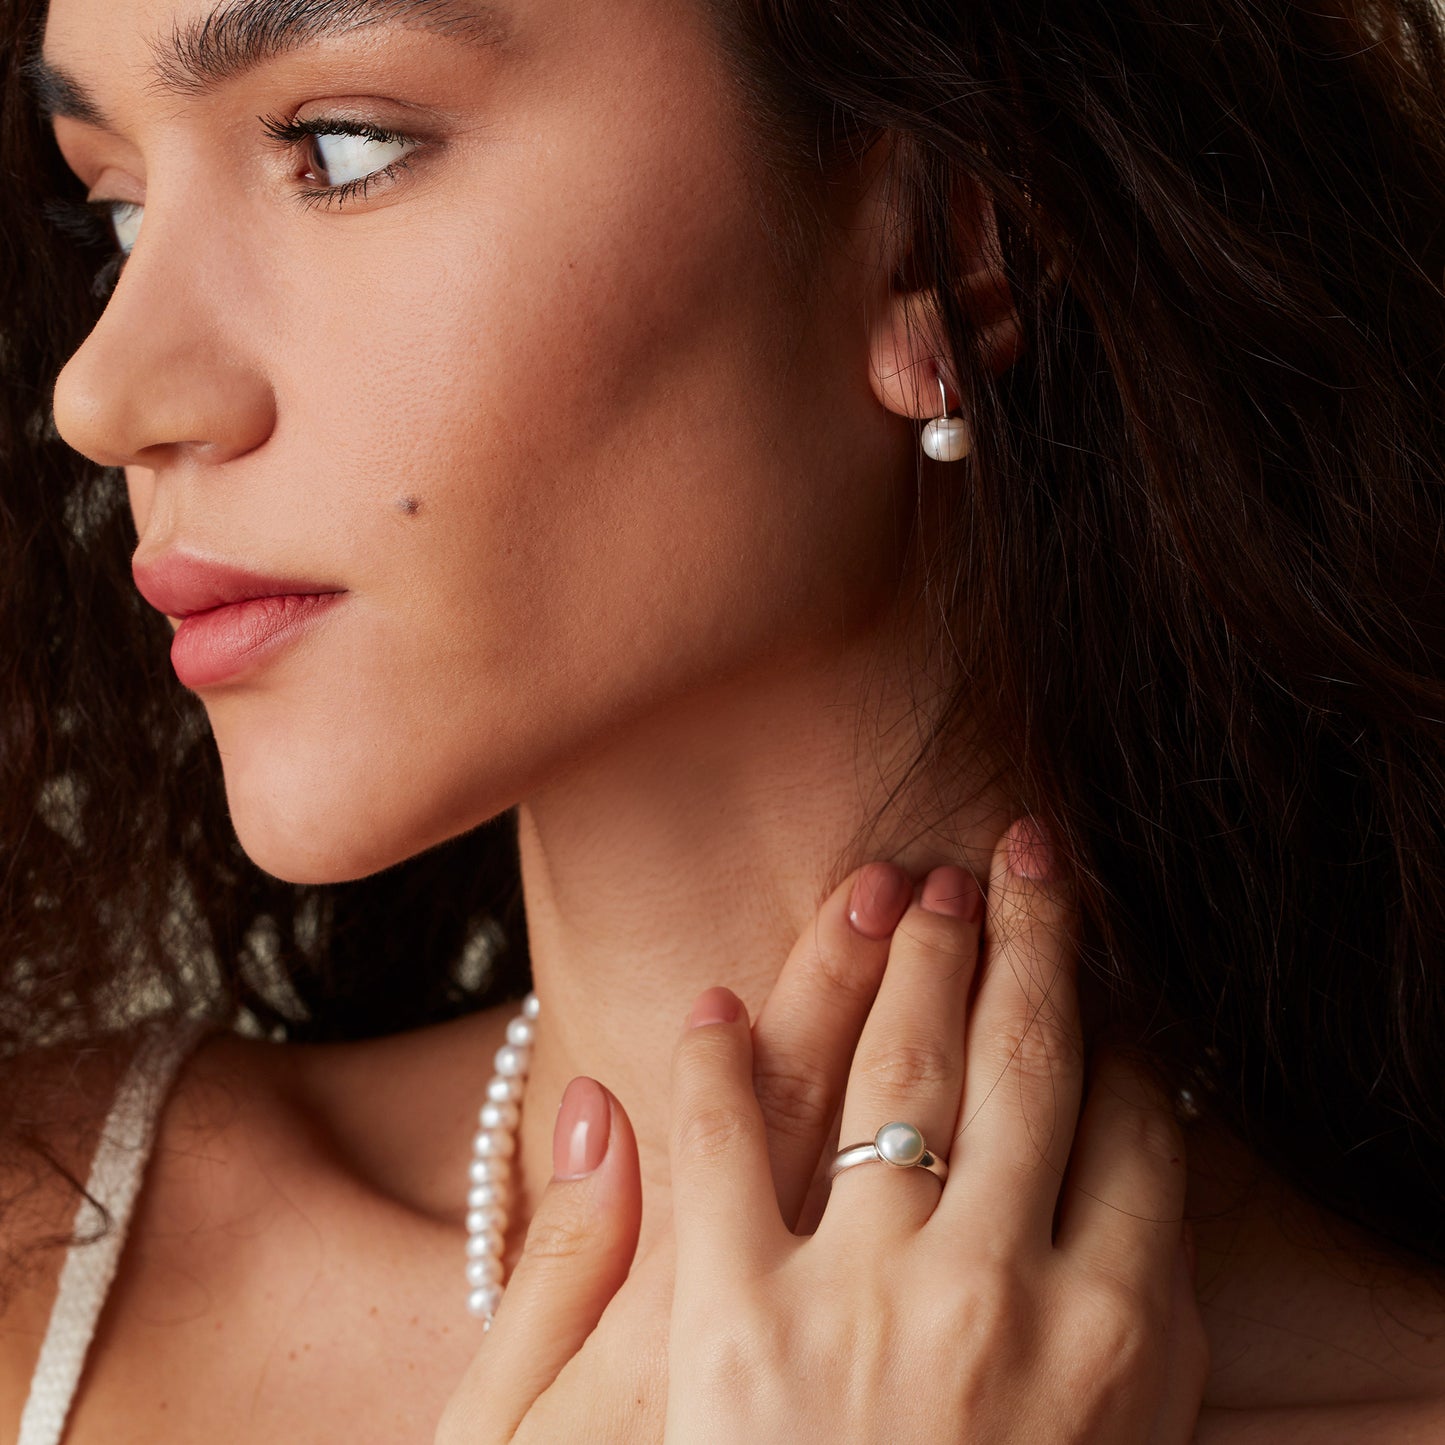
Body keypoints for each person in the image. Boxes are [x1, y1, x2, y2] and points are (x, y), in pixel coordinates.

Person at [0, 0, 1442, 1436]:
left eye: (343, 145)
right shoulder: (40, 1268)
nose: (106, 393)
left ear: (944, 234)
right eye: (116, 210)